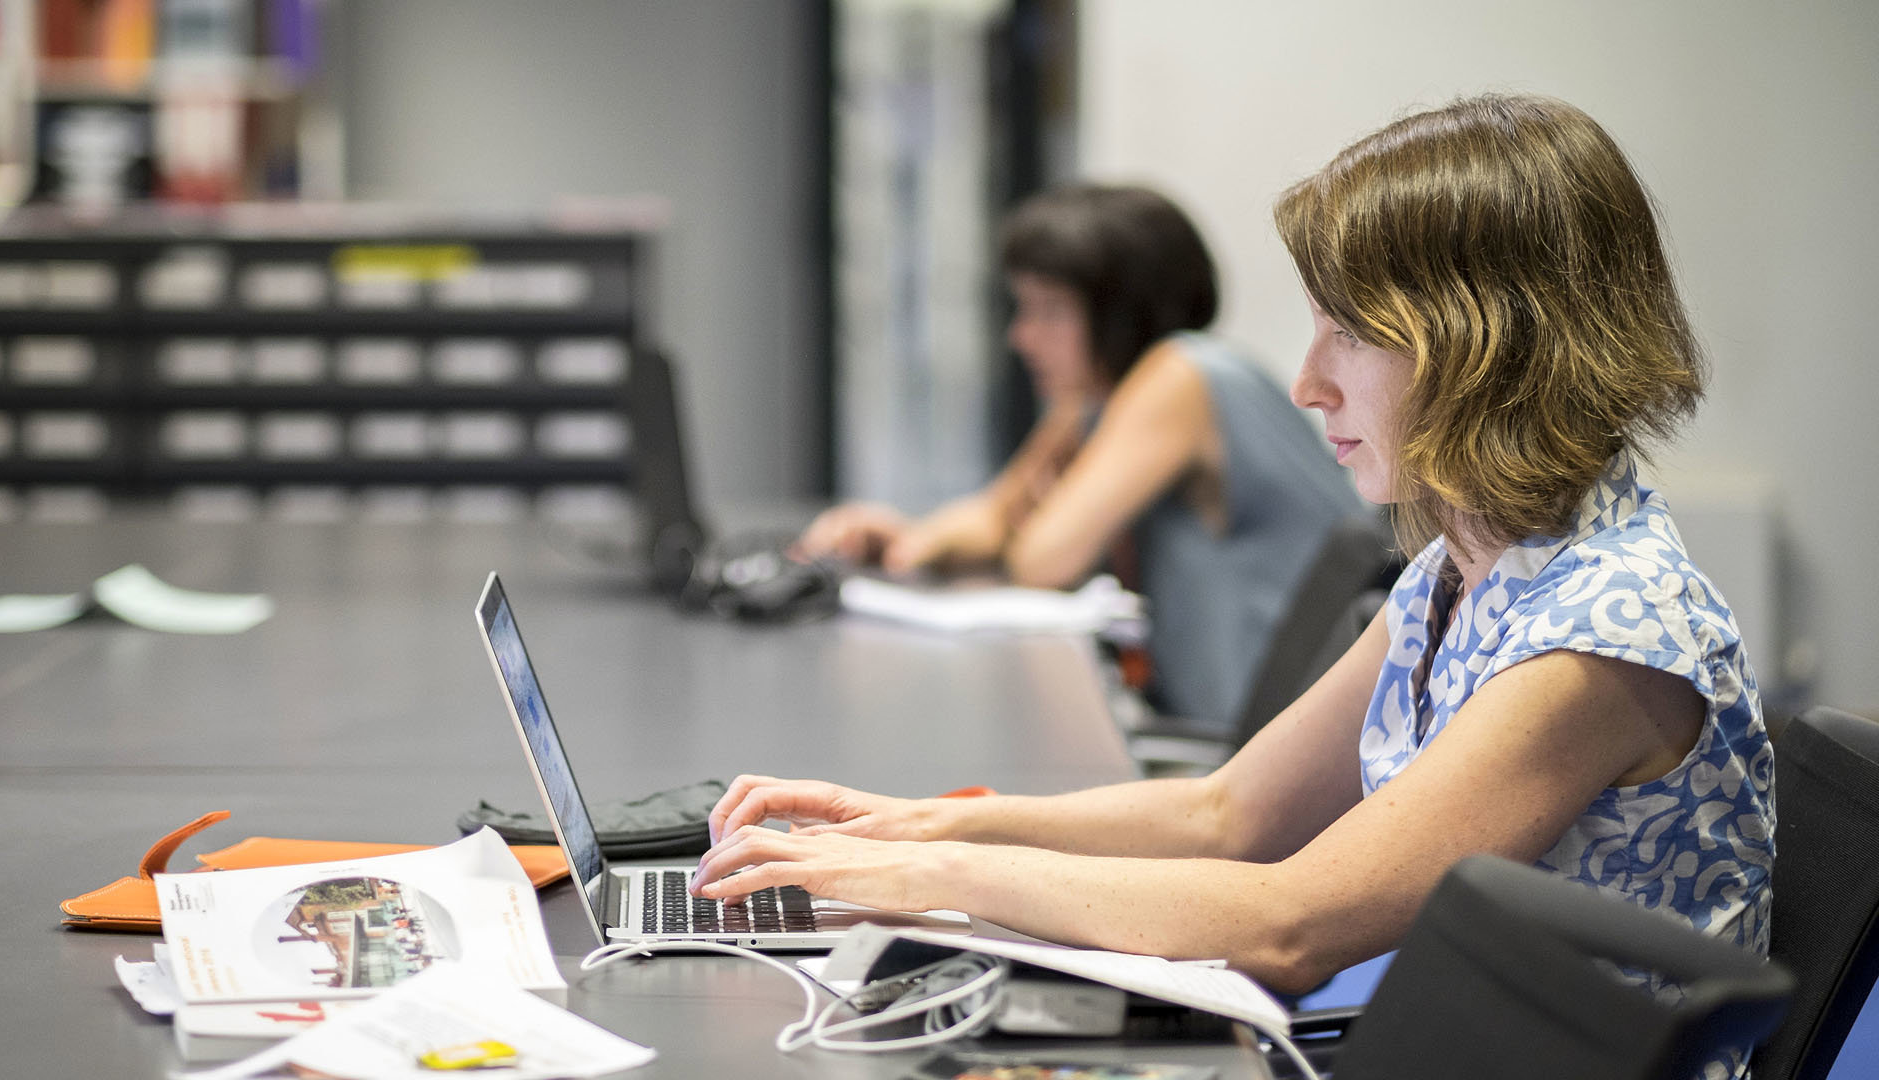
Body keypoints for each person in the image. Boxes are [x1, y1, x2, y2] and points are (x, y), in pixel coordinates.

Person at [699, 96, 1772, 1076]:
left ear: (1487, 344)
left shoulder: (1601, 638)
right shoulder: (1472, 567)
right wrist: (923, 829)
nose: (1308, 383)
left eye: (1350, 332)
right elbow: (1229, 815)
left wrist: (934, 885)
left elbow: (1290, 925)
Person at [799, 184, 1362, 729]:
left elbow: (1041, 560)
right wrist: (903, 539)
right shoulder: (1104, 398)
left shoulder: (1181, 376)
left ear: (1120, 314)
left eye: (1048, 311)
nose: (1022, 336)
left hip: (1257, 751)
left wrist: (956, 537)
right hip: (1216, 733)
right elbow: (996, 515)